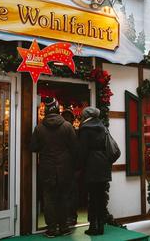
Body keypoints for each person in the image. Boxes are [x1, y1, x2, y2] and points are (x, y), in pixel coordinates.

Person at [30, 97, 77, 238]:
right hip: (64, 168)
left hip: (47, 168)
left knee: (49, 198)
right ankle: (64, 227)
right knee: (63, 197)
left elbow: (33, 147)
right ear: (58, 110)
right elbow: (75, 148)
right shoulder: (67, 126)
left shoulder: (39, 128)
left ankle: (51, 229)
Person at [78, 106, 111, 235]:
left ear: (86, 116)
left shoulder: (85, 129)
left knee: (92, 197)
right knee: (101, 196)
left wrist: (79, 167)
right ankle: (101, 226)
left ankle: (93, 226)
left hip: (91, 166)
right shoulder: (103, 127)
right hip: (103, 165)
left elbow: (82, 151)